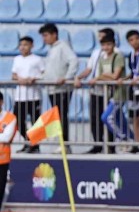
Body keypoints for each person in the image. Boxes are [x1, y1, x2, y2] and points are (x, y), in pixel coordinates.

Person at [39, 23, 77, 153]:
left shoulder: (63, 46)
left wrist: (66, 78)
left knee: (61, 115)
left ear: (54, 34)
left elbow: (74, 61)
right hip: (52, 88)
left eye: (46, 35)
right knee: (57, 116)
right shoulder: (52, 49)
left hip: (62, 88)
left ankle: (64, 143)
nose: (44, 39)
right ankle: (61, 142)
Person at [75, 28, 114, 154]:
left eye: (101, 36)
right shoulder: (96, 52)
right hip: (95, 90)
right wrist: (79, 77)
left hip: (108, 90)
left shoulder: (115, 52)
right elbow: (89, 68)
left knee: (108, 118)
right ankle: (97, 143)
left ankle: (111, 145)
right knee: (94, 118)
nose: (99, 39)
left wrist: (99, 78)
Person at [94, 34, 132, 146]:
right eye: (104, 45)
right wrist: (104, 76)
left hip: (119, 93)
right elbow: (101, 75)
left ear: (114, 44)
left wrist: (103, 76)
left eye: (109, 44)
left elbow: (115, 76)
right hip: (110, 93)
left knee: (107, 117)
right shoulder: (102, 58)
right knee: (120, 119)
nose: (106, 47)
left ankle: (122, 138)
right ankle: (133, 139)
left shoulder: (118, 56)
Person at [11, 36, 44, 153]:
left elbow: (44, 73)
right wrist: (20, 79)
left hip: (33, 96)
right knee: (17, 120)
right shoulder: (17, 59)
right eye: (21, 45)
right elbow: (14, 75)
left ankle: (35, 145)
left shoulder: (37, 59)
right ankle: (29, 141)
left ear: (31, 45)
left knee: (35, 122)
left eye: (25, 45)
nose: (23, 47)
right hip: (20, 96)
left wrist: (34, 79)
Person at [0, 93, 17, 209]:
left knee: (0, 188)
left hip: (2, 159)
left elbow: (7, 137)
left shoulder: (11, 118)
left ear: (1, 102)